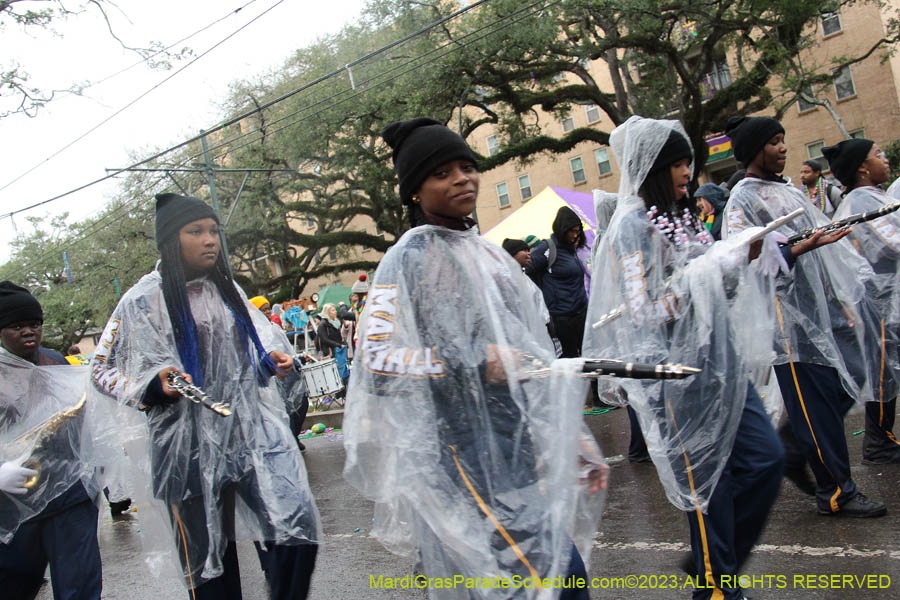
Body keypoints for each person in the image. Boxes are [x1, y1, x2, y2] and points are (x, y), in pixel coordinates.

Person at [344, 117, 606, 600]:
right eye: (442, 173)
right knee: (558, 581)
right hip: (455, 460)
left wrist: (573, 437)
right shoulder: (405, 260)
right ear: (415, 191)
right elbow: (376, 361)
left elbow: (530, 358)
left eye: (467, 166)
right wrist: (469, 361)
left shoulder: (490, 257)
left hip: (513, 450)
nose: (462, 178)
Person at [584, 116, 785, 600]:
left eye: (686, 161)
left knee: (767, 460)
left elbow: (721, 289)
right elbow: (643, 309)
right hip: (679, 379)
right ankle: (717, 587)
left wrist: (741, 257)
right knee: (708, 489)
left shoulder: (684, 214)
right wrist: (706, 273)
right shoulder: (632, 228)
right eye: (675, 162)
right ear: (653, 166)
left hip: (723, 364)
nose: (686, 170)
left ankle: (710, 561)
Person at [90, 193, 320, 600]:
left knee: (295, 529)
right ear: (170, 241)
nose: (210, 240)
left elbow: (243, 359)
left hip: (245, 436)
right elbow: (100, 369)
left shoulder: (227, 289)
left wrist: (269, 362)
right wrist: (148, 386)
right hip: (183, 452)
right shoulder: (141, 300)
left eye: (214, 230)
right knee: (209, 572)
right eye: (195, 231)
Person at [724, 115, 888, 517]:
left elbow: (823, 249)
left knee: (851, 378)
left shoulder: (787, 191)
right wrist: (797, 250)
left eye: (784, 140)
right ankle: (836, 491)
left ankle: (792, 446)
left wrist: (841, 297)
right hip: (788, 322)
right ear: (755, 149)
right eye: (774, 142)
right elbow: (738, 256)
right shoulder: (743, 197)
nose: (783, 148)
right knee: (815, 406)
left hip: (822, 311)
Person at [0, 281, 102, 600]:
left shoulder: (54, 362)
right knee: (12, 586)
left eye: (35, 324)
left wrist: (93, 468)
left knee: (80, 586)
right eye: (17, 326)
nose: (29, 331)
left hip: (68, 494)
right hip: (15, 497)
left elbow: (80, 418)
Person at [822, 138, 900, 464]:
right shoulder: (858, 202)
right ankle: (878, 442)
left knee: (886, 368)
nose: (885, 158)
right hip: (878, 301)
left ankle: (880, 439)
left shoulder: (872, 196)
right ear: (862, 168)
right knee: (883, 369)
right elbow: (889, 245)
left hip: (887, 297)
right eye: (877, 155)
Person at [528, 206, 589, 358]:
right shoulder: (548, 248)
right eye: (572, 231)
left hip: (581, 313)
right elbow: (528, 271)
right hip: (562, 318)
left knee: (587, 355)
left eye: (578, 231)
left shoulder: (571, 250)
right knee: (570, 360)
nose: (575, 236)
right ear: (563, 229)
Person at [316, 303, 349, 385]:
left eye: (335, 310)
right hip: (330, 351)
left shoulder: (336, 322)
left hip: (339, 350)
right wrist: (338, 345)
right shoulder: (323, 324)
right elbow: (324, 339)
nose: (335, 312)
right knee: (335, 373)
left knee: (343, 370)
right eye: (333, 310)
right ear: (327, 312)